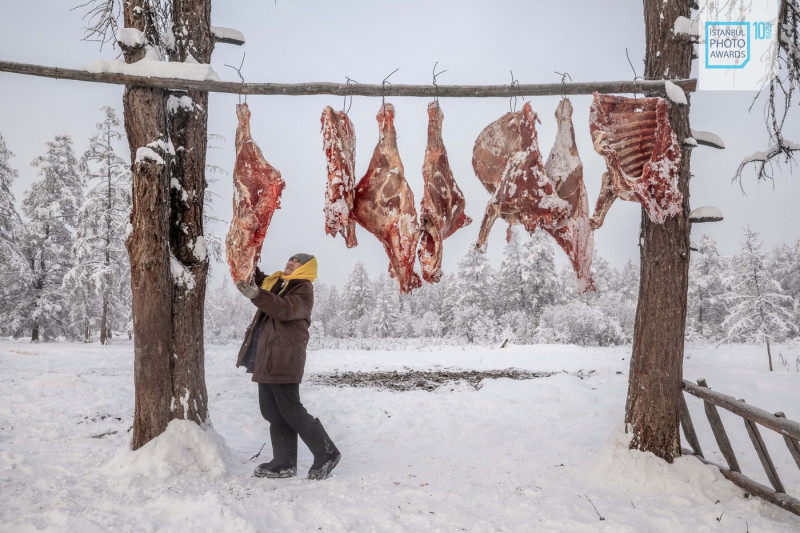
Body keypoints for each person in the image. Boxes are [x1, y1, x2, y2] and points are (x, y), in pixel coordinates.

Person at [235, 253, 341, 480]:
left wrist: (257, 295)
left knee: (291, 409)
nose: (291, 263)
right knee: (272, 411)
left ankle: (327, 452)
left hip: (284, 356)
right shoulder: (278, 284)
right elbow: (260, 281)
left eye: (298, 262)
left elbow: (284, 309)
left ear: (306, 269)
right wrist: (245, 259)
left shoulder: (302, 288)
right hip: (268, 356)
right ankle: (283, 462)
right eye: (290, 260)